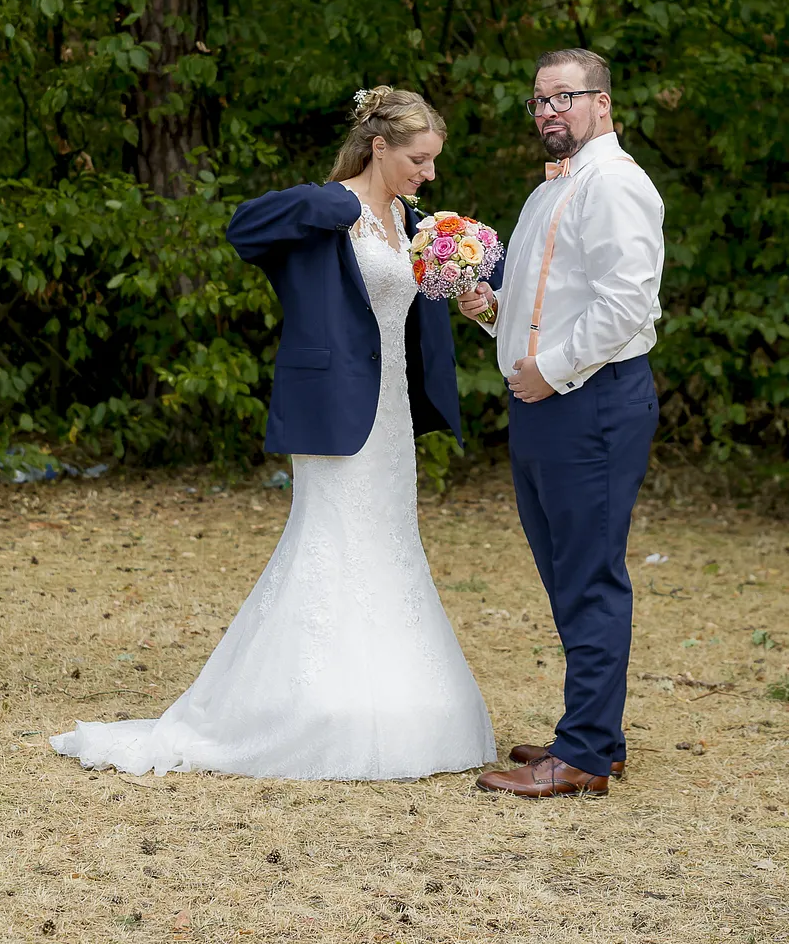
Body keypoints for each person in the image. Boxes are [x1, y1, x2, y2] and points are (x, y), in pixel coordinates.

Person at [50, 86, 496, 781]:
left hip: (391, 411)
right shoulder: (325, 209)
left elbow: (403, 314)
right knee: (330, 541)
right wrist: (344, 202)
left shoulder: (410, 217)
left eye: (433, 160)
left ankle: (398, 698)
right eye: (418, 158)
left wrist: (460, 287)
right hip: (331, 405)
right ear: (379, 147)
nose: (428, 173)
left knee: (389, 541)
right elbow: (243, 228)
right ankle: (307, 707)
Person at [458, 49, 664, 798]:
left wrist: (552, 371)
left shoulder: (613, 184)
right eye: (539, 100)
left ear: (602, 103)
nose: (549, 111)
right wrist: (492, 316)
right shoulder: (549, 191)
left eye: (564, 97)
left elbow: (625, 305)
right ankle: (594, 735)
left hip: (592, 400)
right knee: (563, 571)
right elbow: (547, 306)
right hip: (546, 401)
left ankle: (580, 755)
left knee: (588, 578)